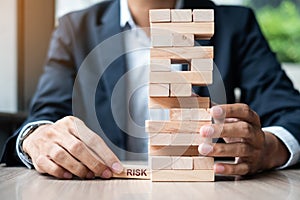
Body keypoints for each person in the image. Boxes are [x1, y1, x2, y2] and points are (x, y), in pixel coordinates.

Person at [1, 0, 300, 180]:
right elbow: (44, 116)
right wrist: (36, 138)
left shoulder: (236, 24)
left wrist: (270, 148)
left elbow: (290, 113)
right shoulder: (74, 29)